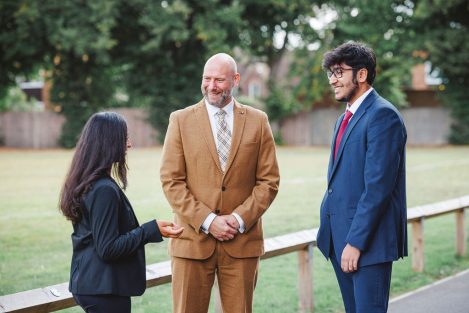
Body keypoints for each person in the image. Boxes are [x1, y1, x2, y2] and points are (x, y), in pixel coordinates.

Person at [160, 53, 280, 313]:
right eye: (207, 78)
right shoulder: (180, 120)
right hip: (191, 242)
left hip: (242, 243)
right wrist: (208, 221)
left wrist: (237, 220)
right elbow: (172, 181)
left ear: (236, 80)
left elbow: (268, 181)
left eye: (219, 80)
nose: (211, 86)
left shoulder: (259, 121)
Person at [59, 112, 183, 313]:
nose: (129, 145)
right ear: (109, 142)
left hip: (92, 284)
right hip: (103, 290)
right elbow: (108, 249)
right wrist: (150, 230)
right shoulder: (103, 190)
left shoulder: (89, 182)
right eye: (124, 138)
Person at [316, 42, 407, 313]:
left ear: (362, 75)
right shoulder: (343, 118)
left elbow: (377, 188)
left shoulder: (383, 115)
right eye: (330, 73)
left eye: (339, 72)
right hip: (339, 239)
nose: (333, 80)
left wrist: (355, 243)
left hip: (368, 243)